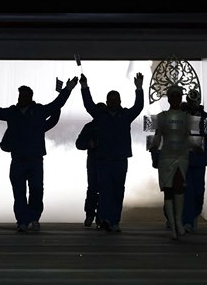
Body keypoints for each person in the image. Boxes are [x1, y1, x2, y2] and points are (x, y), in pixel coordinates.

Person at [0, 76, 79, 232]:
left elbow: (57, 104)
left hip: (35, 160)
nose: (21, 98)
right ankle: (23, 221)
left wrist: (69, 88)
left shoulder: (38, 111)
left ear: (30, 97)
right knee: (20, 193)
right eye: (20, 95)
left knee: (36, 190)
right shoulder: (14, 112)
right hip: (19, 160)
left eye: (24, 95)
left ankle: (33, 219)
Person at [80, 72, 144, 233]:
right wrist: (84, 87)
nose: (114, 102)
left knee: (118, 191)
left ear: (120, 101)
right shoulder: (100, 115)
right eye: (111, 100)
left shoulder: (125, 115)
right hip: (104, 160)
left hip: (120, 160)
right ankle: (106, 219)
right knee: (106, 192)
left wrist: (139, 88)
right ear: (107, 101)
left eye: (116, 100)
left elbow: (138, 107)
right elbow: (89, 104)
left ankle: (114, 220)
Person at [149, 85, 191, 239]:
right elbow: (156, 135)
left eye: (178, 96)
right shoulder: (160, 117)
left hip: (182, 156)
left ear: (181, 98)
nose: (175, 98)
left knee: (179, 187)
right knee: (168, 190)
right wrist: (153, 149)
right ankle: (173, 225)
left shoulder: (187, 117)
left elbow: (192, 137)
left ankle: (178, 222)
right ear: (169, 98)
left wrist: (195, 148)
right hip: (166, 156)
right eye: (173, 96)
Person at [182, 89, 207, 232]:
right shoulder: (182, 115)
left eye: (195, 101)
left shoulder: (205, 116)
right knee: (187, 192)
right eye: (191, 101)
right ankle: (188, 221)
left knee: (198, 192)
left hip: (199, 160)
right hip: (184, 159)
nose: (193, 104)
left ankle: (194, 215)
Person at [75, 102, 107, 228]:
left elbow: (79, 143)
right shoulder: (90, 127)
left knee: (96, 189)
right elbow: (79, 144)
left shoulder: (90, 126)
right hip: (96, 161)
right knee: (96, 189)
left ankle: (94, 215)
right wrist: (89, 144)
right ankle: (93, 215)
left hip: (99, 161)